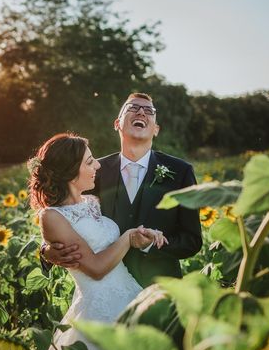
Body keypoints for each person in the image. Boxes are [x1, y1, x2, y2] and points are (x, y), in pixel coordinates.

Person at [29, 132, 168, 350]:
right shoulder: (51, 216)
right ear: (72, 171)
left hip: (131, 295)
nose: (98, 165)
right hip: (98, 310)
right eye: (90, 161)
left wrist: (140, 235)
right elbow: (95, 268)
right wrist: (126, 238)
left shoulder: (93, 201)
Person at [41, 93, 202, 287]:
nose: (141, 112)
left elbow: (191, 240)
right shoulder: (91, 172)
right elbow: (62, 215)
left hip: (161, 292)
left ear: (156, 129)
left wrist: (151, 244)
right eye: (133, 108)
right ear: (117, 123)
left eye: (149, 111)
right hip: (107, 295)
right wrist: (46, 250)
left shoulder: (180, 172)